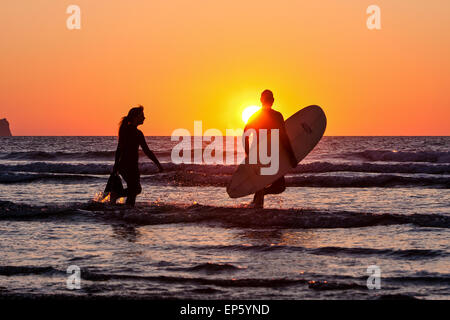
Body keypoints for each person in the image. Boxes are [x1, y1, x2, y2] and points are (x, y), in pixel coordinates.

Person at [244, 90, 297, 208]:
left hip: (262, 155)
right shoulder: (276, 116)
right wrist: (291, 156)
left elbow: (245, 135)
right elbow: (284, 137)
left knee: (264, 185)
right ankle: (257, 210)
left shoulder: (256, 116)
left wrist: (249, 155)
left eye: (269, 99)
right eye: (269, 99)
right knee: (278, 186)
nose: (269, 101)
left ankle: (255, 208)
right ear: (270, 101)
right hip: (269, 155)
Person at [110, 105, 163, 206]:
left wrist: (116, 165)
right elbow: (147, 151)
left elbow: (119, 149)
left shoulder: (127, 130)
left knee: (133, 191)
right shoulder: (135, 133)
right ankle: (117, 195)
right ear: (135, 117)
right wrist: (158, 164)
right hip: (128, 167)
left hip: (129, 166)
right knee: (135, 189)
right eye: (142, 115)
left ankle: (128, 212)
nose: (144, 117)